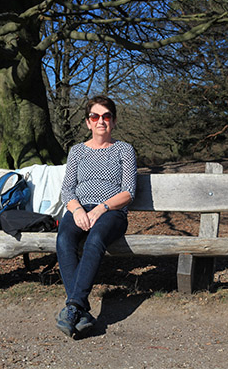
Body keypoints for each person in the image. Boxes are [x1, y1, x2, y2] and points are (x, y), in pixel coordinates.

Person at [55, 95, 137, 338]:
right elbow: (67, 190)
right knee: (64, 240)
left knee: (95, 239)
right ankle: (79, 308)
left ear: (113, 121)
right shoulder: (77, 151)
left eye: (106, 116)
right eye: (95, 116)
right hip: (80, 209)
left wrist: (101, 208)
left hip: (111, 212)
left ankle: (73, 307)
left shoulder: (124, 149)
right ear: (88, 122)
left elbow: (129, 192)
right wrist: (78, 210)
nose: (101, 121)